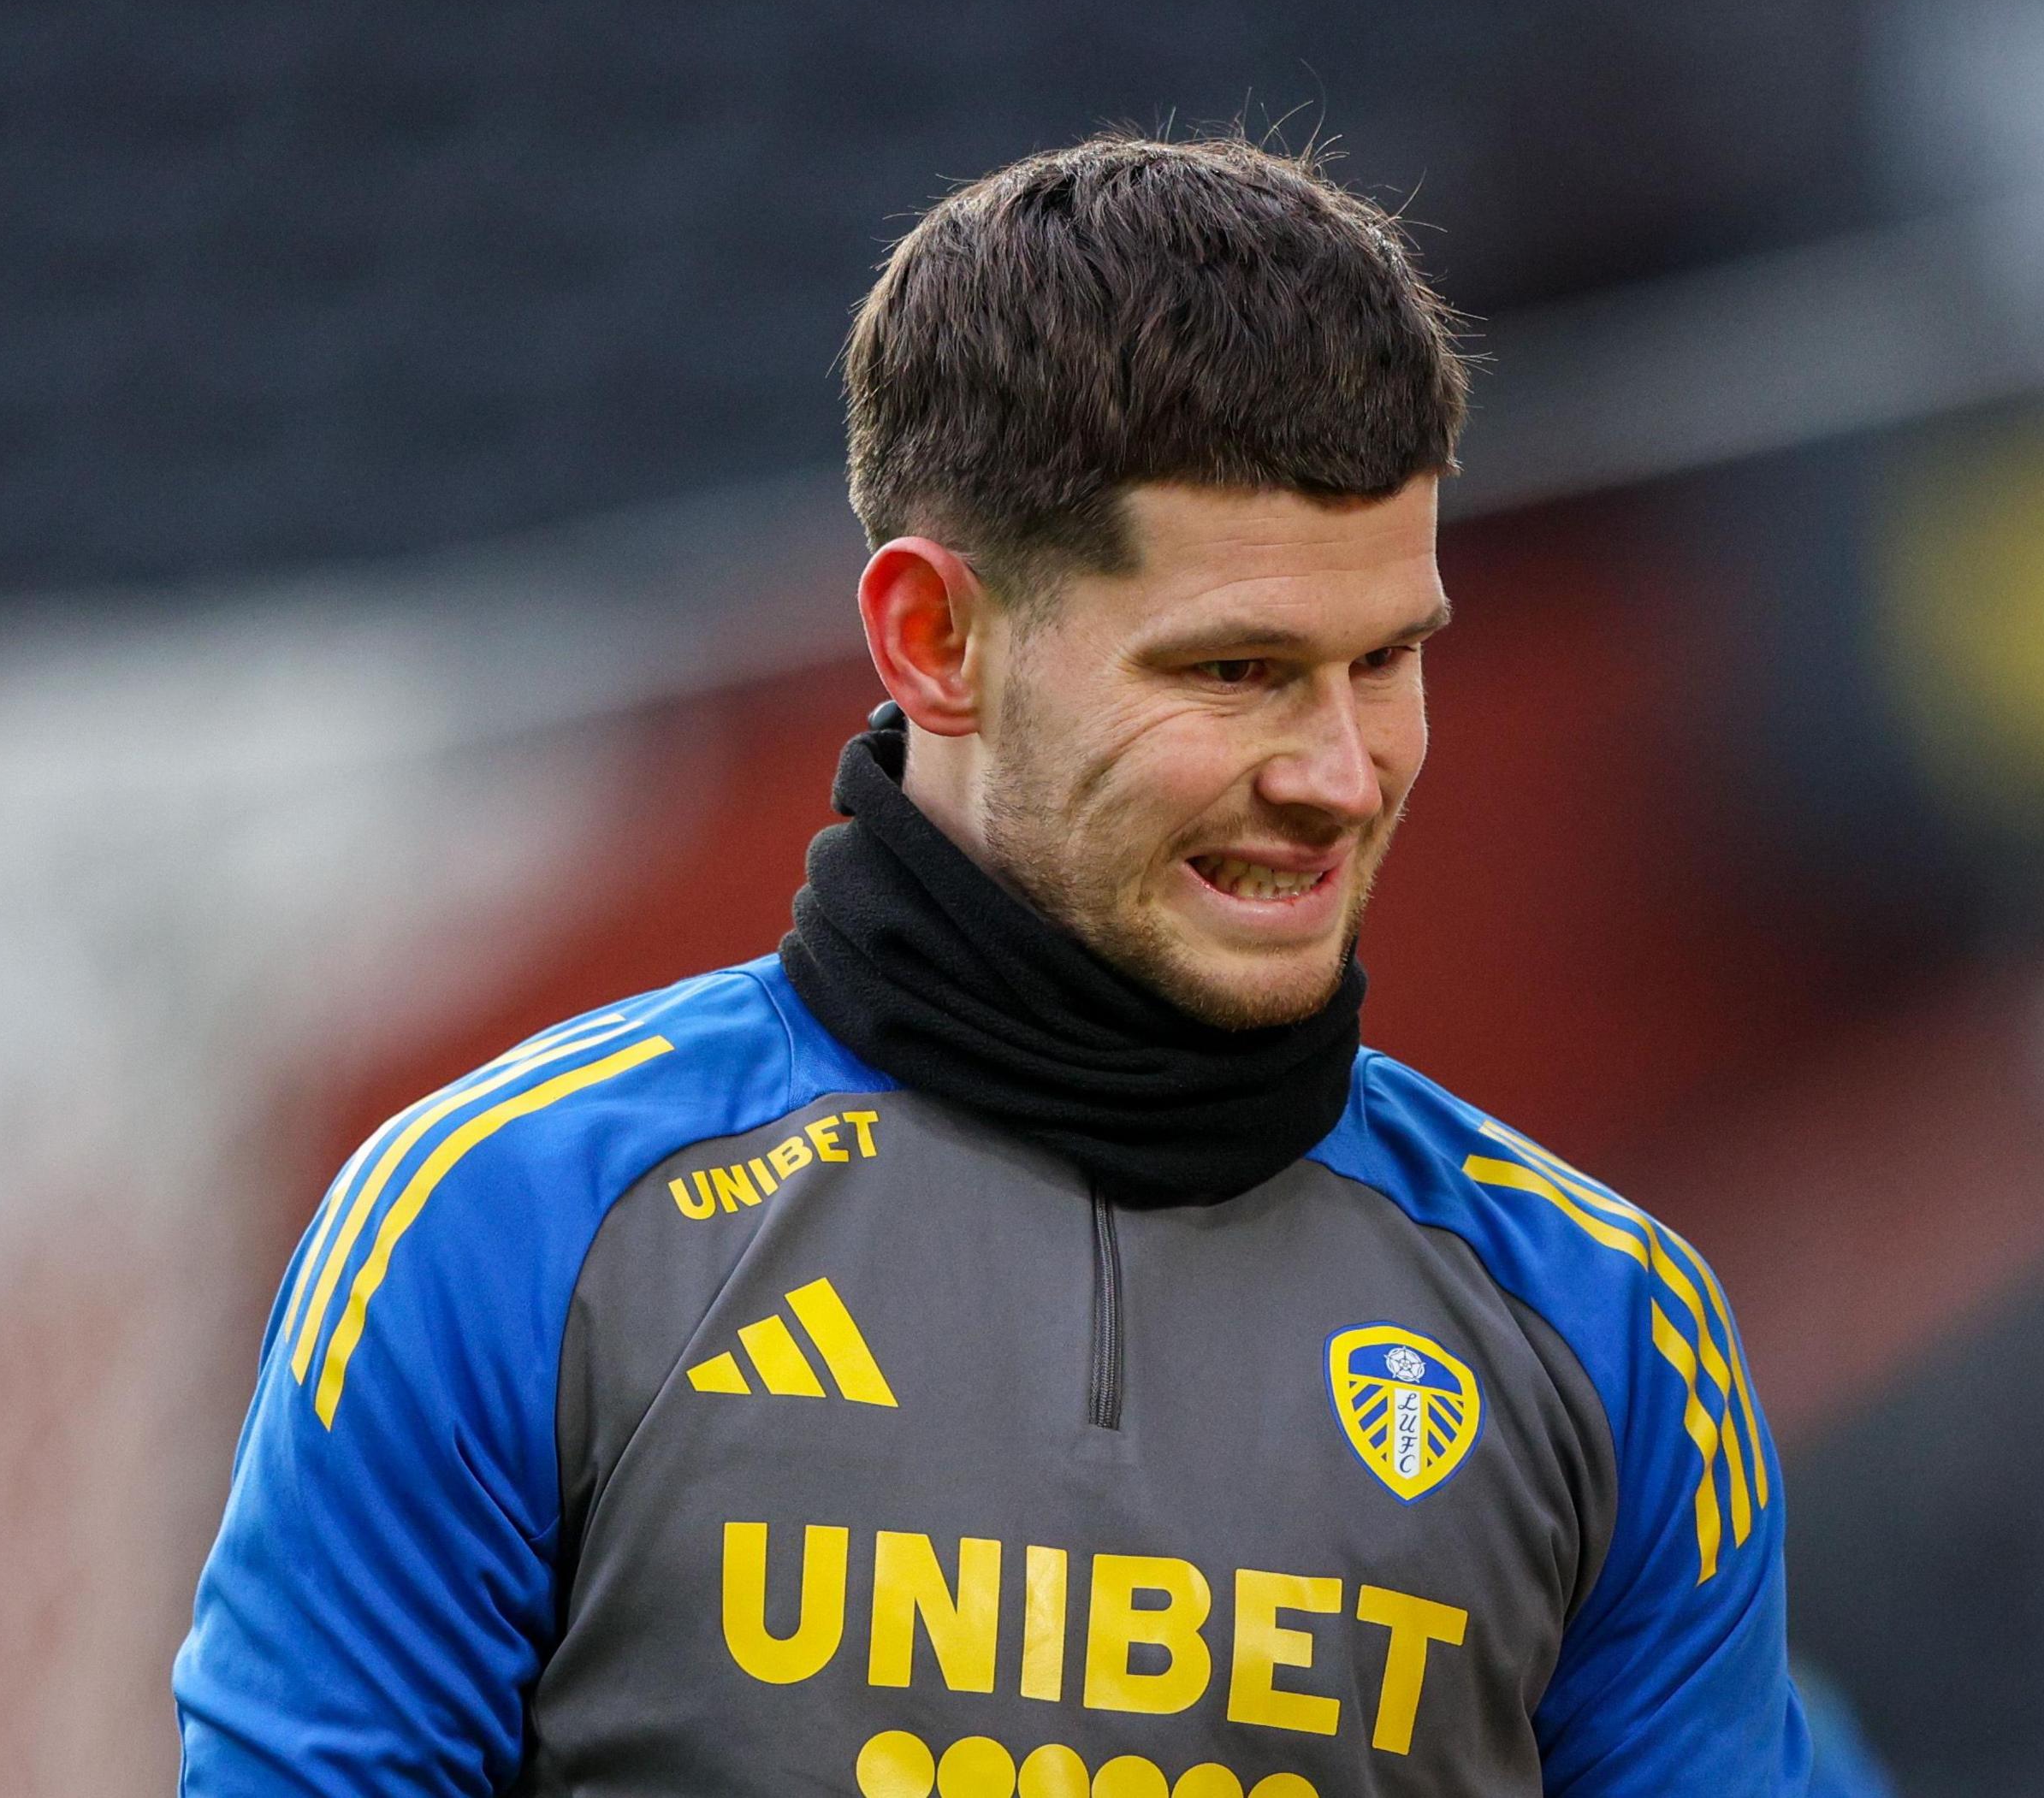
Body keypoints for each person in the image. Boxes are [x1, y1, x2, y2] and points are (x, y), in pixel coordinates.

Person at [176, 133, 1845, 1797]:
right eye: (1239, 670)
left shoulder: (1606, 1329)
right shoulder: (507, 1231)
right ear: (934, 641)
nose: (1342, 771)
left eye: (1387, 660)